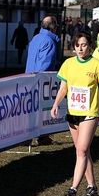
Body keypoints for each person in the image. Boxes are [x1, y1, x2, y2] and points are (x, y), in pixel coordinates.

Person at [50, 31, 99, 196]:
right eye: (77, 45)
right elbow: (63, 88)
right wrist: (56, 104)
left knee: (82, 150)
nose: (80, 48)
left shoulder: (97, 65)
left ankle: (73, 188)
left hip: (89, 114)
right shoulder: (68, 64)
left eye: (84, 45)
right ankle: (92, 186)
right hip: (73, 114)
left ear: (90, 46)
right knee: (82, 152)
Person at [25, 16, 60, 145]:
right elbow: (44, 64)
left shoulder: (36, 38)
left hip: (28, 77)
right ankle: (43, 136)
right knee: (43, 109)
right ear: (52, 27)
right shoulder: (49, 41)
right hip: (41, 80)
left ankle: (27, 136)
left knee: (30, 109)